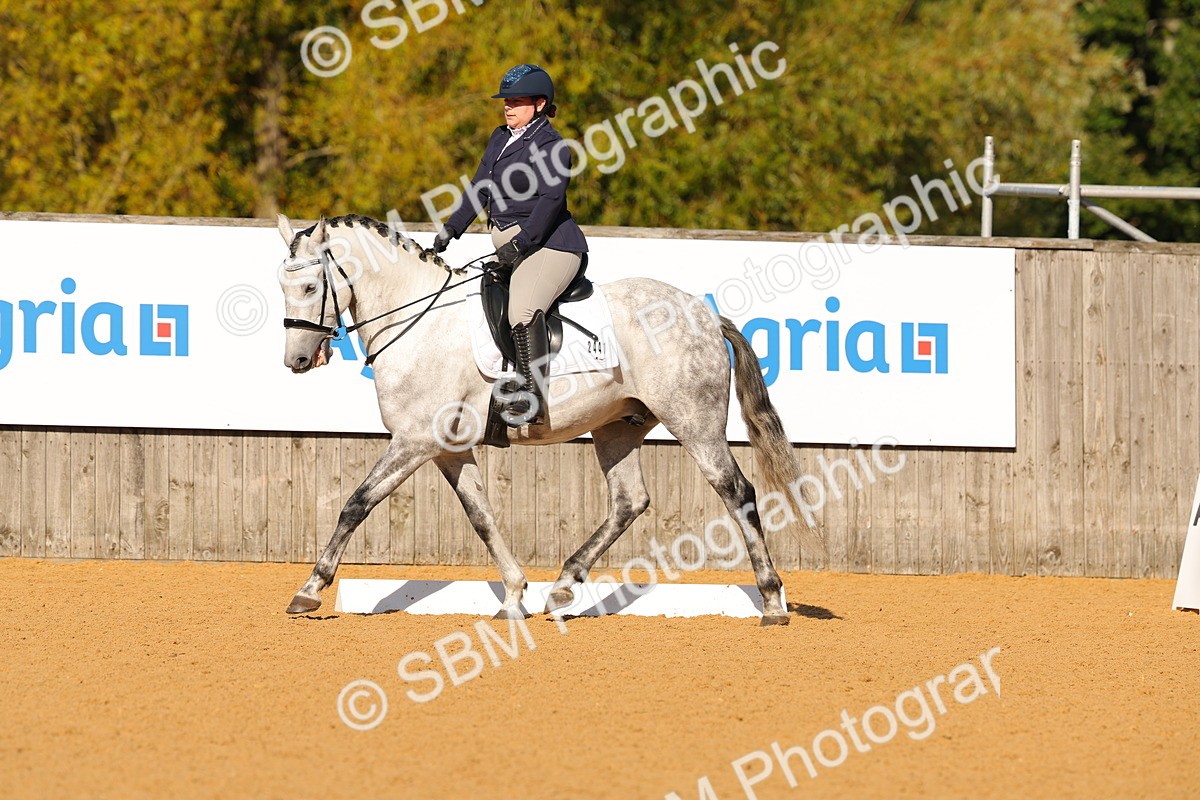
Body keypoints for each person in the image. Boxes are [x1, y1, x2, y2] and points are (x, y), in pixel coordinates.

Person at [433, 64, 587, 425]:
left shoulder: (553, 146)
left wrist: (522, 242)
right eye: (506, 100)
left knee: (522, 308)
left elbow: (551, 202)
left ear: (539, 104)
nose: (508, 106)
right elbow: (479, 187)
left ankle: (533, 397)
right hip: (514, 246)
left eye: (516, 100)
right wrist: (452, 228)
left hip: (552, 246)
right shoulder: (500, 137)